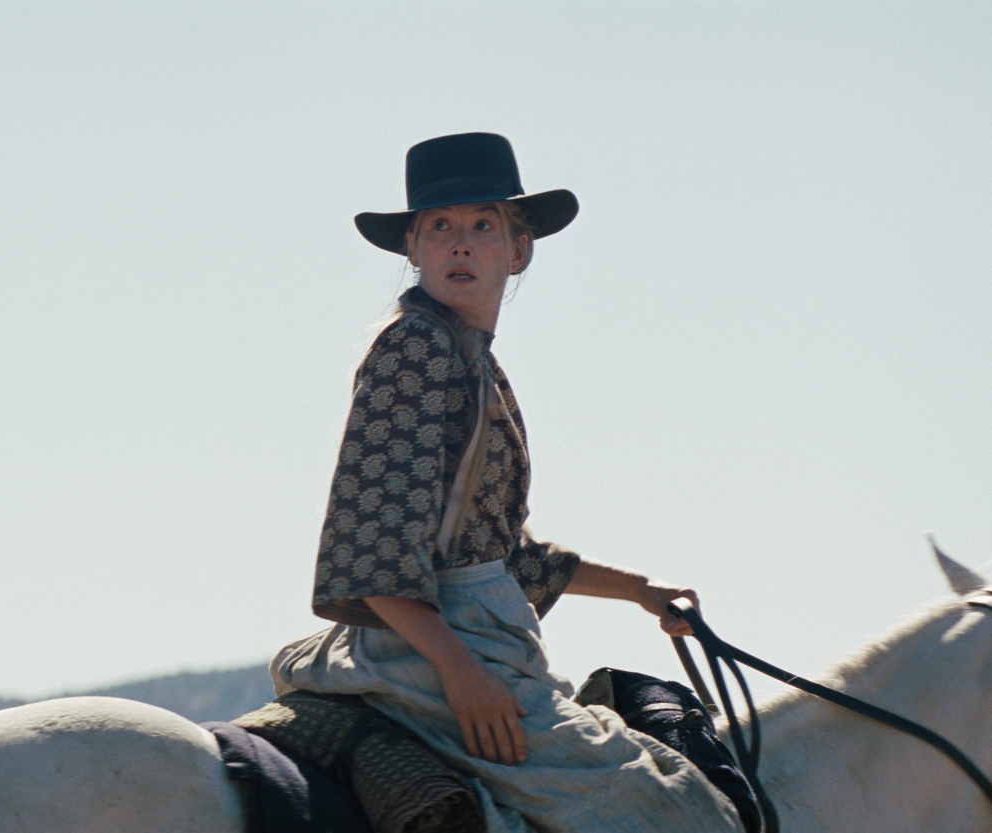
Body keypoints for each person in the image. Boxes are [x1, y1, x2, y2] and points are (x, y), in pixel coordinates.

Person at [269, 133, 749, 831]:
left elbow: (496, 554)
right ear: (413, 247)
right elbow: (373, 554)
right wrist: (464, 675)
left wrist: (638, 590)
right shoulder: (416, 350)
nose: (460, 243)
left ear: (517, 250)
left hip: (471, 633)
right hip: (430, 650)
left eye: (481, 226)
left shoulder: (472, 362)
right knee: (678, 812)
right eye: (440, 226)